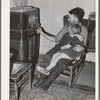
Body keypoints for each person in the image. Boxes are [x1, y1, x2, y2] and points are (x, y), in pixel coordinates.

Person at [34, 7, 88, 90]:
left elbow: (84, 46)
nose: (68, 19)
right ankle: (41, 79)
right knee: (47, 56)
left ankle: (47, 83)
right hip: (59, 47)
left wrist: (82, 48)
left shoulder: (83, 29)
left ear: (76, 18)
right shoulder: (67, 27)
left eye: (70, 17)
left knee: (60, 62)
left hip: (70, 51)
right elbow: (56, 39)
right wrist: (42, 33)